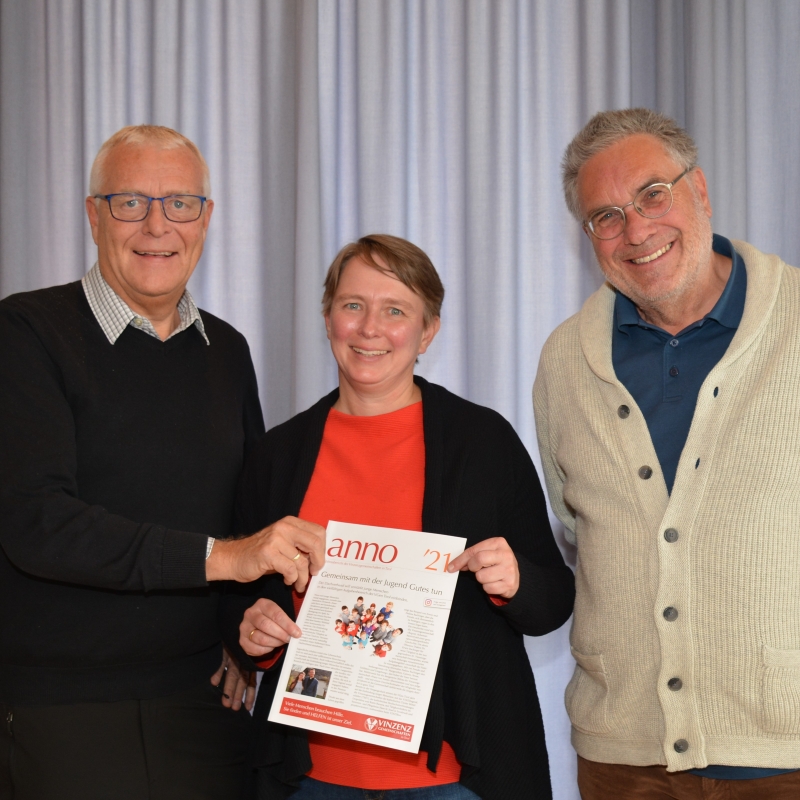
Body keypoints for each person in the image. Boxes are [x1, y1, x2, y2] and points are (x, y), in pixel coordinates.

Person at [0, 124, 326, 800]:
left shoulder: (227, 351)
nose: (157, 225)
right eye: (130, 202)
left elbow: (245, 515)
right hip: (64, 710)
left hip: (206, 703)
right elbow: (38, 522)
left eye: (180, 203)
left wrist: (239, 633)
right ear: (94, 216)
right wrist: (224, 559)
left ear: (206, 219)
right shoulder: (25, 334)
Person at [221, 234, 575, 800]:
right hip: (309, 777)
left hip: (455, 779)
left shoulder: (483, 443)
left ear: (427, 332)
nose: (370, 328)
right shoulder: (276, 456)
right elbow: (239, 605)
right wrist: (254, 634)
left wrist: (516, 581)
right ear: (328, 317)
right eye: (353, 305)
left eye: (395, 311)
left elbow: (553, 600)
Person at [533, 108, 800, 799]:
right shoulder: (565, 360)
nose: (636, 230)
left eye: (653, 195)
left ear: (699, 190)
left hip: (785, 755)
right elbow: (575, 524)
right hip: (622, 761)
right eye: (606, 216)